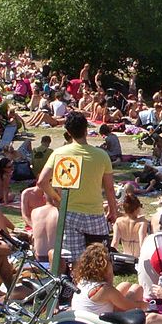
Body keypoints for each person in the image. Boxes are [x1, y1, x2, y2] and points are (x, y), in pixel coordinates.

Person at [35, 112, 118, 266]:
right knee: (99, 261)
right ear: (86, 130)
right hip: (95, 214)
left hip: (70, 213)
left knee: (75, 262)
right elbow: (109, 189)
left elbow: (42, 181)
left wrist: (57, 198)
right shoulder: (102, 155)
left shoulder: (59, 153)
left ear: (68, 132)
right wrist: (113, 210)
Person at [70, 243, 146, 314]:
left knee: (125, 285)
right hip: (101, 323)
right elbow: (131, 306)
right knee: (137, 289)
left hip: (83, 320)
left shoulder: (82, 281)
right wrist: (147, 305)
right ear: (105, 265)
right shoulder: (104, 289)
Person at [111, 193, 150, 258]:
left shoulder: (118, 221)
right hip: (137, 258)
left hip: (125, 257)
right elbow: (142, 244)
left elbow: (114, 243)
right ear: (137, 208)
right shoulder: (142, 223)